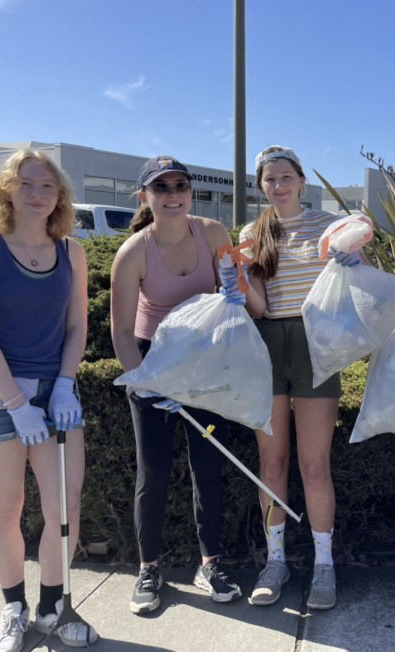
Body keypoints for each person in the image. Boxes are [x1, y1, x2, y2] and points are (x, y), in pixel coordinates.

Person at [0, 150, 98, 650]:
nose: (37, 193)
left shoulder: (71, 252)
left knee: (66, 507)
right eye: (26, 184)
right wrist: (16, 403)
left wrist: (63, 383)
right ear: (6, 191)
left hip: (55, 396)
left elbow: (77, 326)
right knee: (5, 508)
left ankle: (54, 608)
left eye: (47, 186)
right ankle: (13, 607)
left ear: (59, 195)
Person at [110, 156, 242, 615]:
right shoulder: (133, 253)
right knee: (155, 470)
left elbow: (237, 292)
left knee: (209, 463)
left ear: (190, 191)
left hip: (205, 362)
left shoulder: (213, 233)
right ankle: (149, 568)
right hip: (154, 362)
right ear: (145, 196)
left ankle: (211, 564)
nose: (172, 194)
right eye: (160, 187)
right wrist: (146, 382)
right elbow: (123, 333)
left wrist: (234, 289)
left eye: (180, 185)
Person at [236, 145, 364, 611]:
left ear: (301, 181)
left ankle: (324, 566)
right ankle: (276, 562)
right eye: (269, 179)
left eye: (285, 176)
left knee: (314, 465)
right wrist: (235, 278)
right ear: (260, 186)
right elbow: (260, 307)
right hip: (267, 346)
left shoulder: (327, 226)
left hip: (314, 344)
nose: (278, 185)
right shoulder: (252, 233)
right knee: (271, 463)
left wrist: (354, 264)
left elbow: (361, 280)